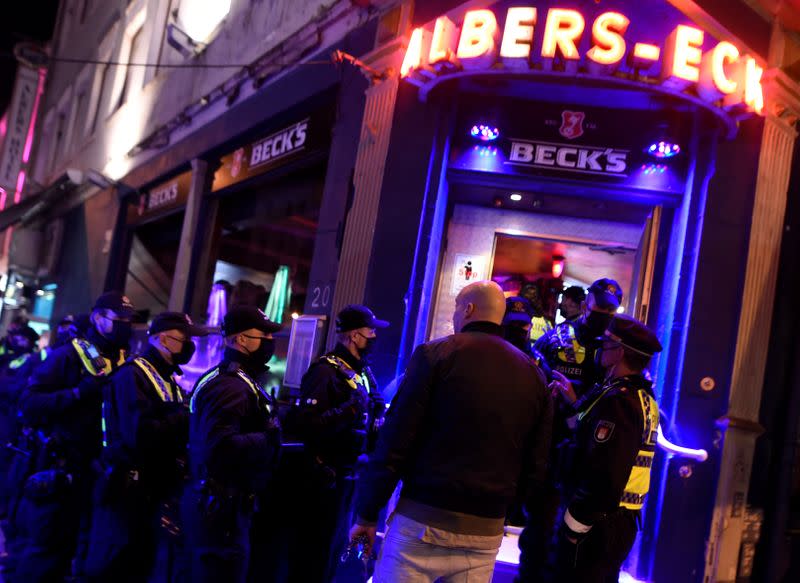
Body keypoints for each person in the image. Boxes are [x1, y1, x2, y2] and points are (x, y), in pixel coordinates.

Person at [350, 281, 553, 582]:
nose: (455, 316)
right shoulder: (534, 375)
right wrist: (506, 512)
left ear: (468, 309)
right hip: (484, 532)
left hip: (422, 522)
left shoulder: (436, 355)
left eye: (457, 307)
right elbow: (537, 462)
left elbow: (397, 440)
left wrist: (367, 513)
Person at [14, 291, 133, 582]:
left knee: (84, 557)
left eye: (128, 320)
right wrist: (77, 393)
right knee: (48, 552)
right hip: (63, 468)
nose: (125, 325)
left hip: (100, 473)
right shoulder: (68, 355)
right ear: (97, 318)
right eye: (118, 319)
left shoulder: (124, 360)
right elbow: (30, 403)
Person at [86, 311, 208, 581]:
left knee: (140, 566)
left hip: (152, 492)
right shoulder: (134, 375)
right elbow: (138, 435)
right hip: (126, 490)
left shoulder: (168, 379)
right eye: (184, 338)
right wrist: (184, 414)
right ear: (163, 339)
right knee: (114, 567)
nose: (190, 345)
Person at [519, 278, 622, 582]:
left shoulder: (614, 348)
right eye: (598, 305)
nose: (602, 312)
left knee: (576, 543)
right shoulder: (556, 339)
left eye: (608, 308)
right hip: (551, 451)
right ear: (587, 301)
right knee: (539, 533)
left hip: (590, 457)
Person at [548, 315, 661, 582]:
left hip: (598, 523)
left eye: (606, 344)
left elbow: (605, 471)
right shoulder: (639, 396)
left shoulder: (619, 402)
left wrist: (574, 526)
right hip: (616, 520)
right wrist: (573, 402)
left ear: (619, 352)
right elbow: (588, 430)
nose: (601, 349)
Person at [286, 304, 388, 582]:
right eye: (371, 331)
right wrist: (350, 410)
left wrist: (376, 411)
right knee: (314, 553)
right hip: (324, 480)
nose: (375, 336)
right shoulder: (325, 371)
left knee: (335, 552)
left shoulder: (363, 372)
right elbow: (308, 426)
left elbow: (369, 415)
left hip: (351, 475)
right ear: (354, 335)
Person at [183, 305, 282, 583]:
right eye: (262, 335)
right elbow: (219, 446)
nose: (269, 341)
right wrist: (268, 438)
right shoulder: (230, 385)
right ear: (240, 339)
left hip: (227, 507)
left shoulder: (239, 380)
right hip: (222, 510)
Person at [0, 325, 40, 517]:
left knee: (5, 464)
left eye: (21, 338)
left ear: (30, 341)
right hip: (4, 415)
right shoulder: (9, 359)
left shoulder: (31, 361)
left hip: (11, 420)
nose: (16, 341)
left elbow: (15, 389)